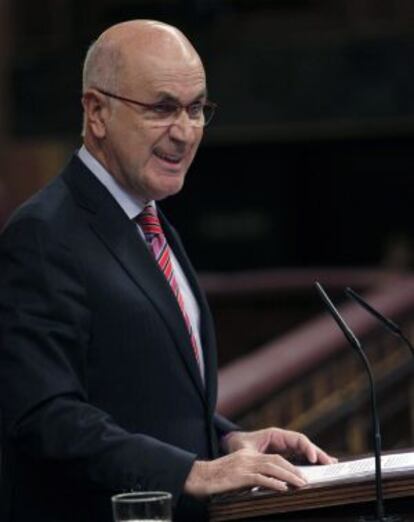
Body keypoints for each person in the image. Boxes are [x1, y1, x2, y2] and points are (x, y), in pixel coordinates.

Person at [0, 20, 335, 522]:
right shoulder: (43, 235)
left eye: (196, 108)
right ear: (96, 112)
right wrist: (191, 473)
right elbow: (45, 416)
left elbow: (142, 389)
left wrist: (223, 437)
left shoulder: (151, 221)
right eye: (161, 108)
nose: (184, 132)